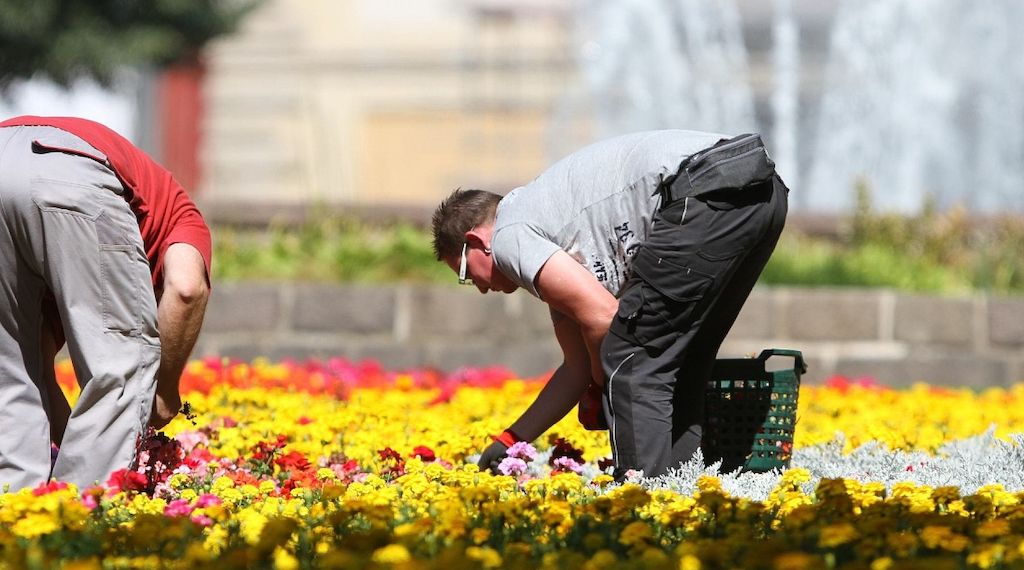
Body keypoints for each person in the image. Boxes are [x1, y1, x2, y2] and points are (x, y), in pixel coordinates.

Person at [431, 130, 788, 479]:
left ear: (477, 240)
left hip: (705, 188)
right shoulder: (547, 237)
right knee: (682, 358)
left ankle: (642, 500)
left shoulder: (509, 236)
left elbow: (604, 319)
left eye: (465, 272)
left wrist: (605, 386)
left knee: (631, 355)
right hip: (758, 189)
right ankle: (682, 489)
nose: (479, 288)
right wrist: (511, 439)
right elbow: (577, 368)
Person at [0, 116, 212, 491]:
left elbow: (43, 376)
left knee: (11, 371)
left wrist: (72, 451)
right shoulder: (181, 213)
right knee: (121, 368)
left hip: (7, 148)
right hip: (71, 171)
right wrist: (163, 390)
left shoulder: (55, 270)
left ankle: (18, 512)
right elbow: (186, 289)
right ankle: (84, 518)